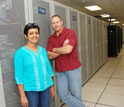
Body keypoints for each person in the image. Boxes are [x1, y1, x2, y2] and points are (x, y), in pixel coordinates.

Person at [47, 15, 86, 107]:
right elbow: (49, 56)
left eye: (57, 22)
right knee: (62, 94)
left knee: (76, 95)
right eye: (53, 23)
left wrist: (55, 49)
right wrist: (62, 48)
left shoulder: (70, 33)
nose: (56, 25)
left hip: (73, 68)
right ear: (52, 25)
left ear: (61, 22)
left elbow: (68, 50)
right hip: (60, 71)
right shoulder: (51, 38)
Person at [14, 23, 54, 107]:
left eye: (36, 33)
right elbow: (18, 77)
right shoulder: (20, 53)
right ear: (26, 36)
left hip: (46, 88)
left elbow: (49, 70)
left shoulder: (43, 50)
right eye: (31, 33)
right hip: (31, 90)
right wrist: (23, 96)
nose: (34, 35)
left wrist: (52, 87)